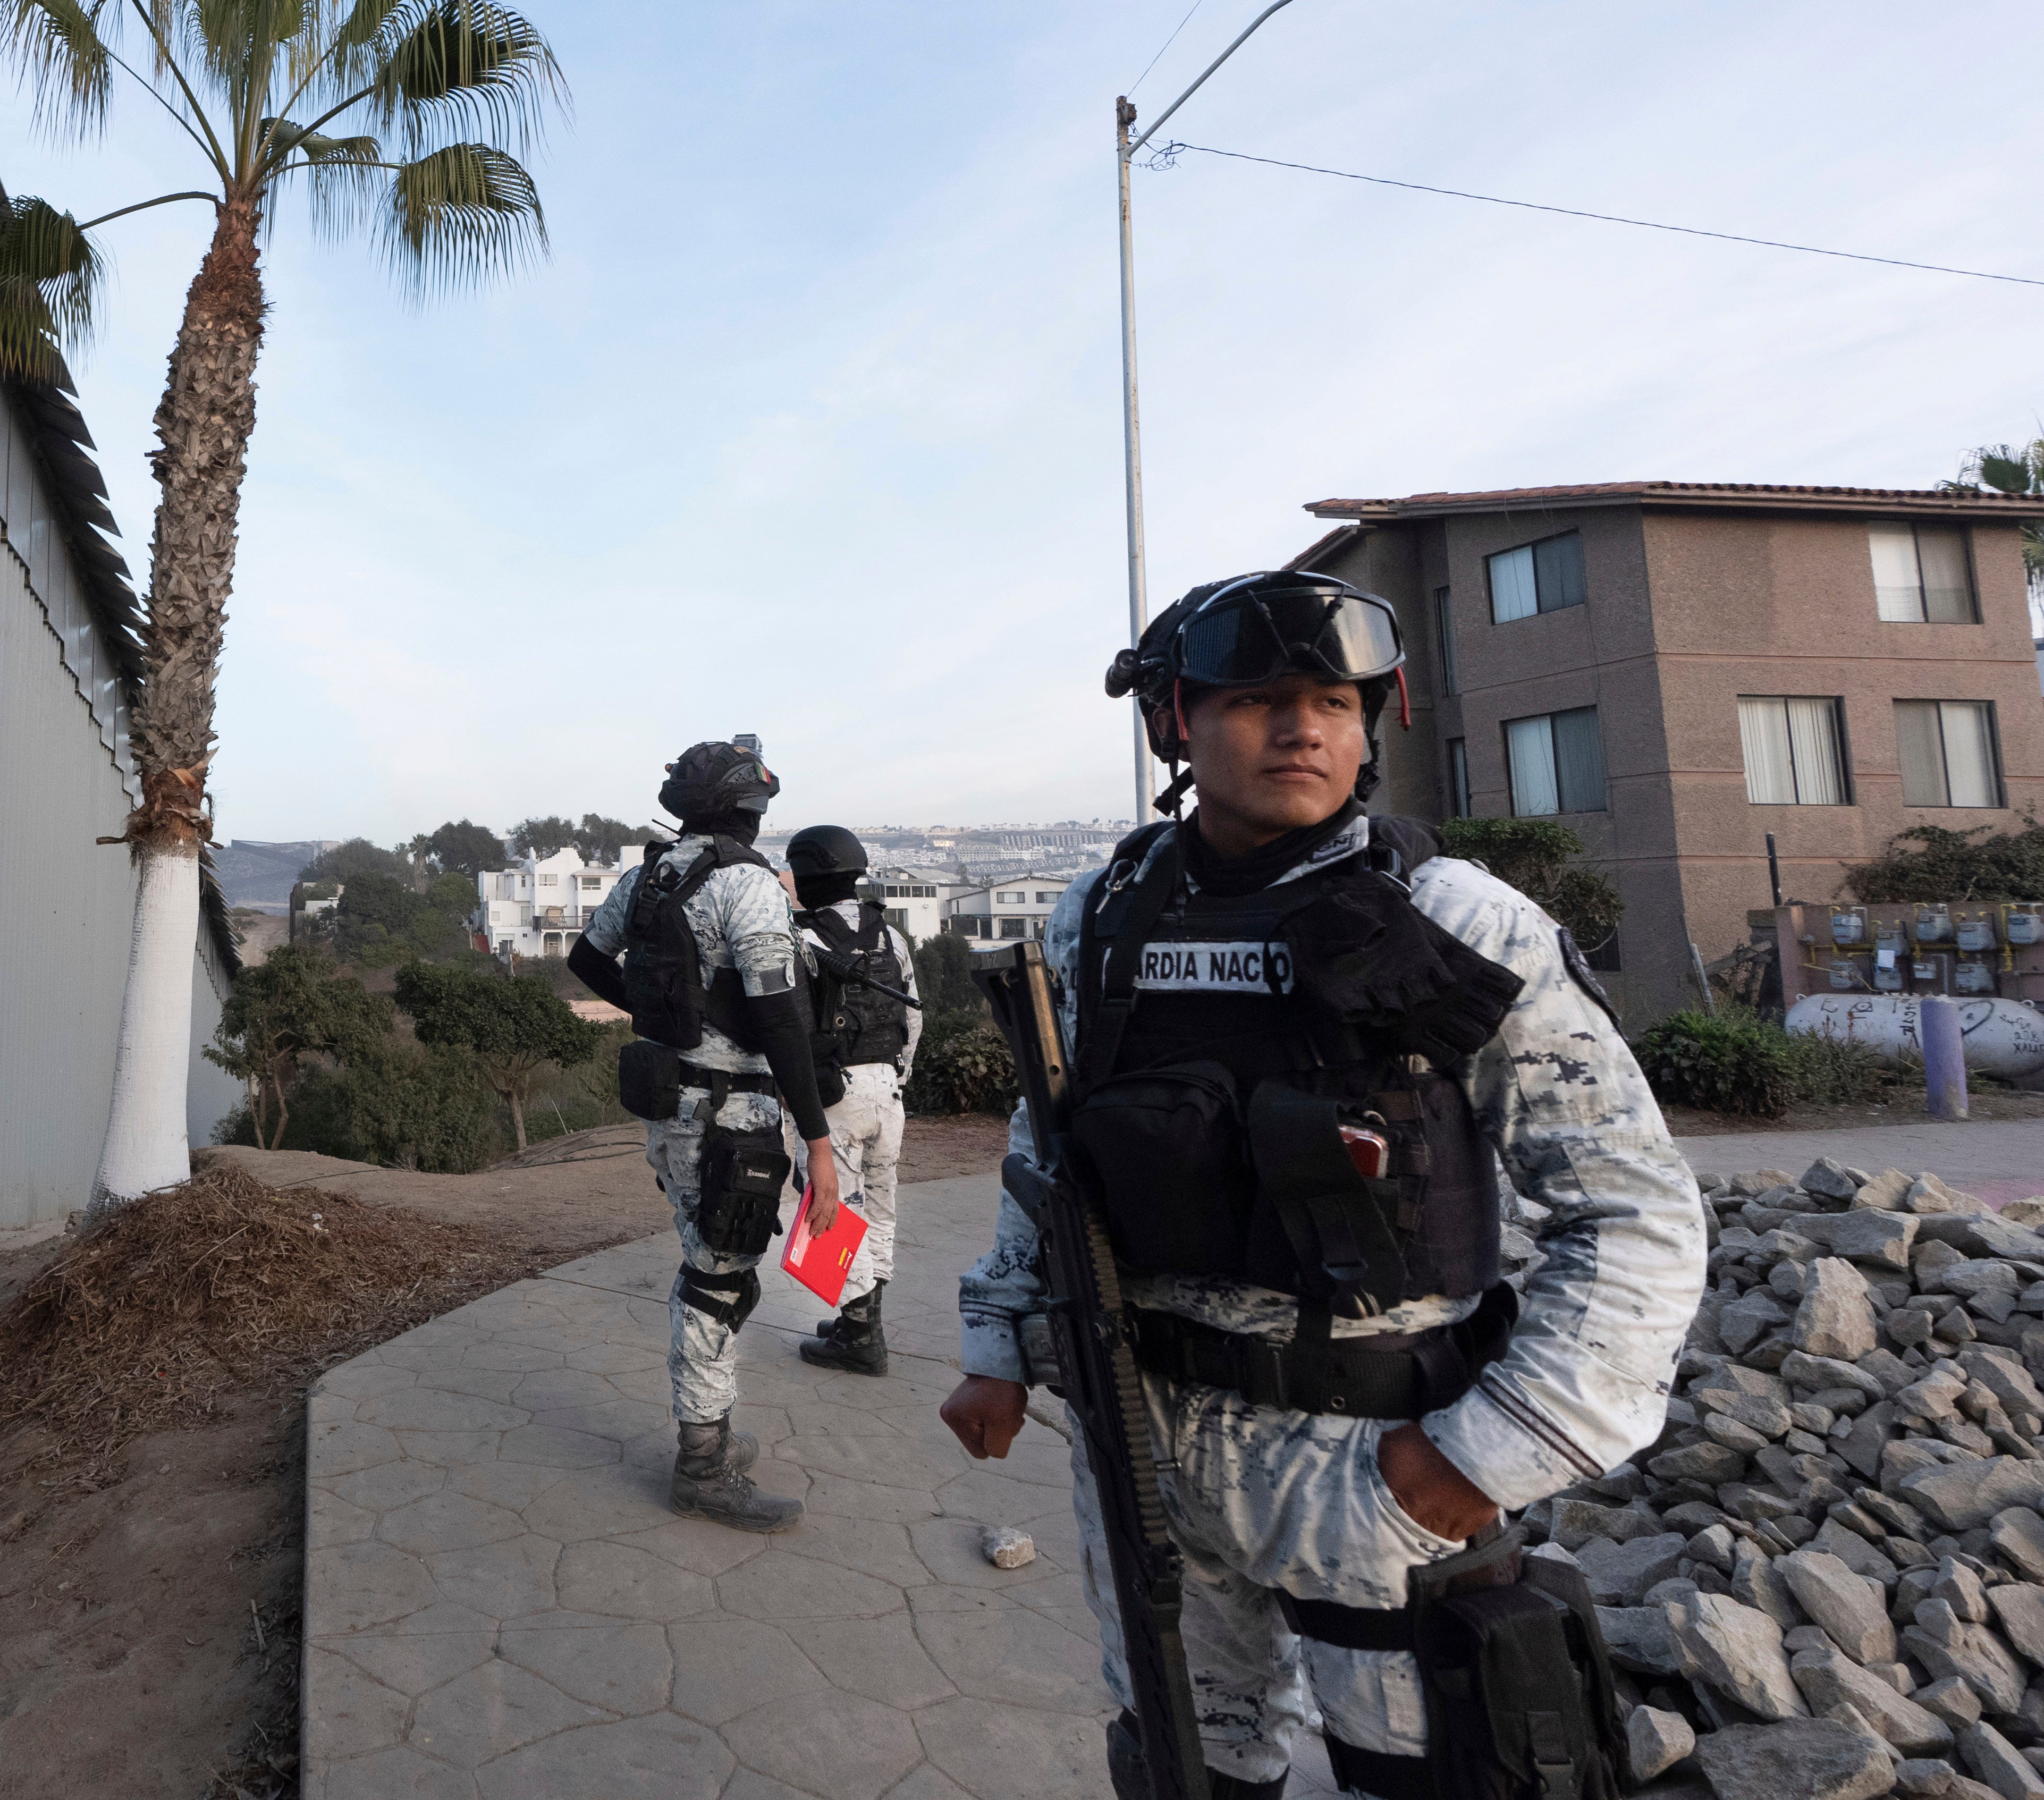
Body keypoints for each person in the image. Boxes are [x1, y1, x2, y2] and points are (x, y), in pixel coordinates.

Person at [940, 571, 1703, 1800]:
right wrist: (996, 1340)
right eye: (1257, 699)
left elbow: (1632, 1208)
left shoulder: (1452, 918)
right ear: (1177, 722)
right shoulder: (1105, 914)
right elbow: (1047, 1139)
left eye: (1333, 701)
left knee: (1434, 1770)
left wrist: (1494, 1449)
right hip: (1144, 1438)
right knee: (1186, 1761)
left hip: (1375, 1459)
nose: (1302, 727)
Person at [569, 737, 840, 1533]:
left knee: (720, 1268)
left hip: (674, 1105)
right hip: (726, 1113)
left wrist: (665, 1020)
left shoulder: (654, 874)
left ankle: (710, 1434)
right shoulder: (746, 886)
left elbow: (589, 959)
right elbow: (779, 1017)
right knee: (717, 1281)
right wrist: (819, 1143)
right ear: (751, 808)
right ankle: (702, 1465)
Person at [781, 825, 919, 1376]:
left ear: (809, 876)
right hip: (888, 1090)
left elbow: (785, 1022)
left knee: (830, 1204)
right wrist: (897, 1077)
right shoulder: (891, 937)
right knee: (878, 1206)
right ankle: (862, 1318)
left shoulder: (799, 938)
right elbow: (913, 1016)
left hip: (833, 1095)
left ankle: (860, 1334)